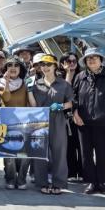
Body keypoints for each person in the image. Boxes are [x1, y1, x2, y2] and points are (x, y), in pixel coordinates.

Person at [72, 48, 105, 195]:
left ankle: (101, 182)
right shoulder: (80, 76)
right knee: (86, 154)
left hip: (103, 121)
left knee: (101, 153)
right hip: (83, 121)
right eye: (89, 58)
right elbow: (73, 97)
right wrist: (75, 113)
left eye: (95, 57)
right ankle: (91, 182)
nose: (92, 60)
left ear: (101, 60)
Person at [28, 54, 74, 195]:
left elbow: (71, 103)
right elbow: (33, 105)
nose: (45, 67)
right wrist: (29, 90)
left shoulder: (64, 84)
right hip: (40, 121)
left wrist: (60, 106)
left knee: (59, 152)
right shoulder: (36, 84)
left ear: (55, 66)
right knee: (40, 152)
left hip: (58, 120)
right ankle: (42, 183)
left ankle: (58, 183)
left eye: (48, 64)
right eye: (42, 65)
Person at [0, 57, 30, 190]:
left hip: (24, 122)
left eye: (16, 65)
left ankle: (22, 179)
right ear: (5, 69)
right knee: (9, 154)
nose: (13, 68)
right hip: (7, 122)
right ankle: (10, 178)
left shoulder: (26, 84)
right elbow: (6, 98)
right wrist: (7, 82)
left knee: (25, 153)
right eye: (9, 65)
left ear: (20, 69)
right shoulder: (0, 83)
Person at [59, 53, 83, 182]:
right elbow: (64, 95)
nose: (72, 63)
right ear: (62, 63)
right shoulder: (59, 78)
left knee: (82, 145)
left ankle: (83, 172)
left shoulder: (82, 76)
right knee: (69, 145)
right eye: (68, 61)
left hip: (80, 114)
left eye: (74, 61)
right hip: (65, 116)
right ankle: (72, 172)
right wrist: (68, 74)